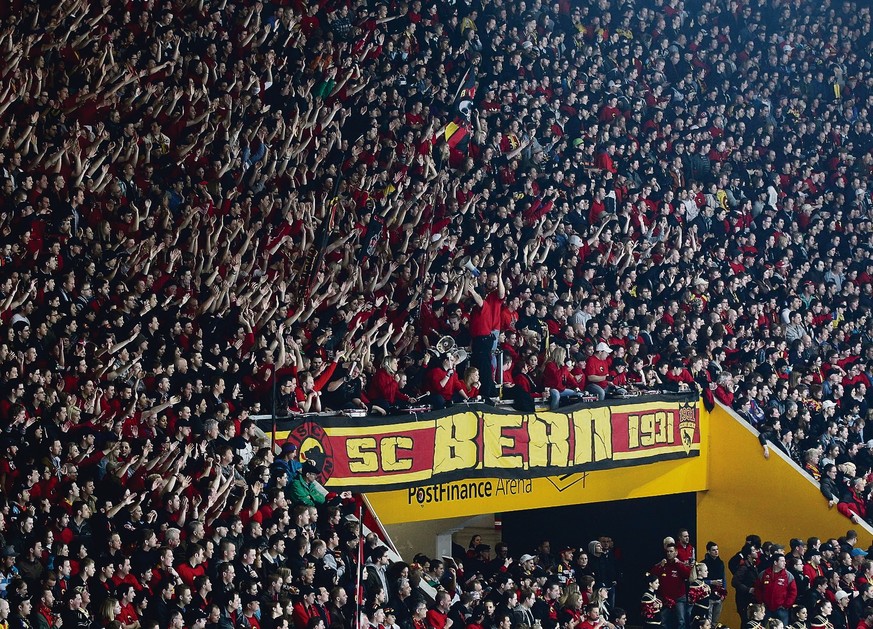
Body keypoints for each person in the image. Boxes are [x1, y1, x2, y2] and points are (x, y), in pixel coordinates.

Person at [756, 554, 798, 625]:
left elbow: (793, 592)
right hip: (766, 609)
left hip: (781, 609)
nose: (785, 563)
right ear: (775, 562)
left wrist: (786, 605)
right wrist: (760, 602)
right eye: (782, 561)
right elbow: (757, 589)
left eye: (785, 561)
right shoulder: (763, 574)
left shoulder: (788, 576)